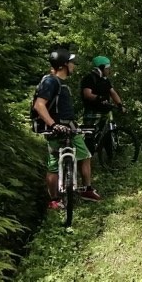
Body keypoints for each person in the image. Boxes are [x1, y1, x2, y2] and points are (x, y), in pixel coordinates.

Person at [33, 48, 101, 209]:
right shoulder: (51, 81)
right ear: (64, 65)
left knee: (84, 155)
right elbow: (39, 105)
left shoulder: (60, 83)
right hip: (56, 129)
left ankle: (86, 189)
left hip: (69, 127)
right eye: (71, 63)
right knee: (54, 165)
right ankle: (55, 200)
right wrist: (53, 125)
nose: (74, 66)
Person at [80, 56, 127, 154]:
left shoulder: (105, 80)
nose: (109, 70)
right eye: (107, 68)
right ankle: (87, 158)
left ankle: (109, 160)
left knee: (108, 135)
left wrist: (120, 105)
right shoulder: (89, 78)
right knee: (90, 136)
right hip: (93, 112)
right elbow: (87, 94)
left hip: (105, 111)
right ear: (100, 68)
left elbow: (113, 93)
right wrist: (99, 98)